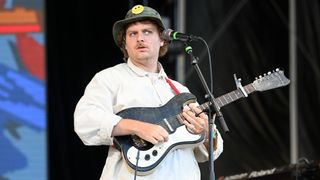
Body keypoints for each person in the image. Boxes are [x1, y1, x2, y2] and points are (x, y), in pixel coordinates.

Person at [74, 4, 223, 180]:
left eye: (147, 32)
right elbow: (85, 120)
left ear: (162, 40)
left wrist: (206, 132)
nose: (140, 38)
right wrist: (137, 127)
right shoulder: (109, 78)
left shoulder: (180, 90)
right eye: (132, 34)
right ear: (125, 44)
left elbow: (210, 152)